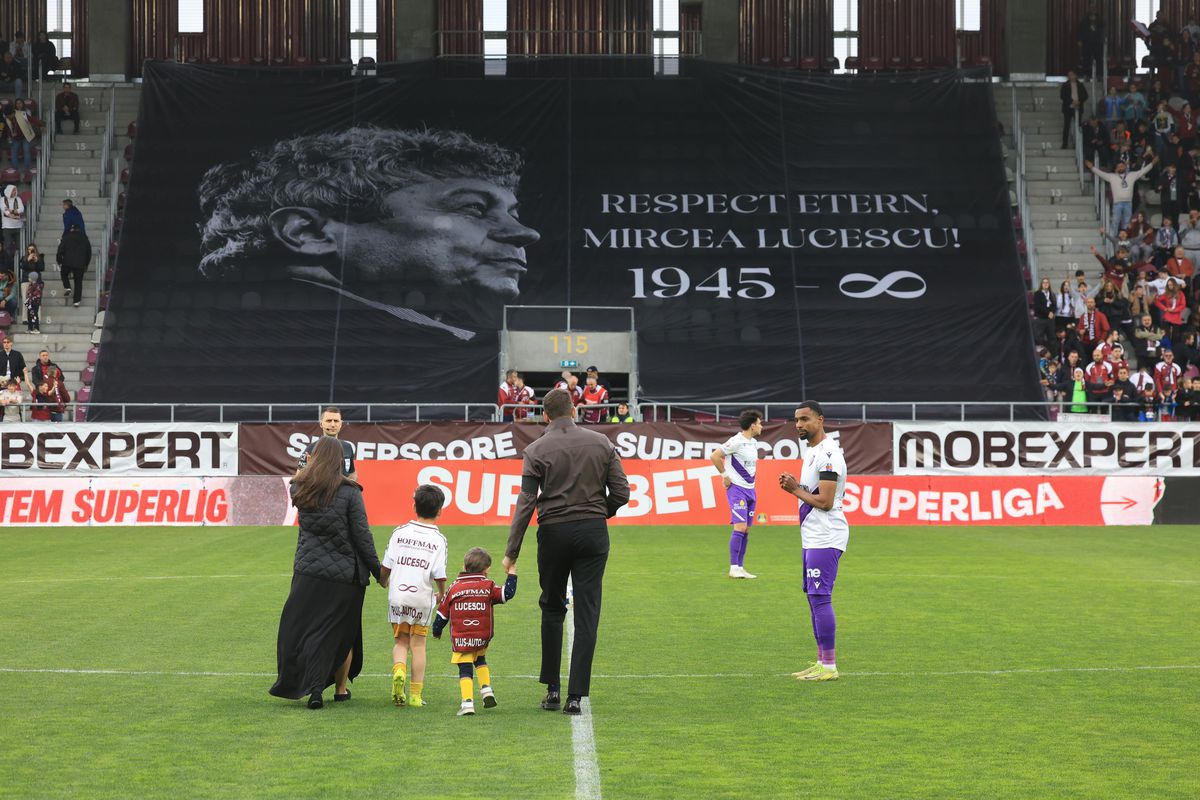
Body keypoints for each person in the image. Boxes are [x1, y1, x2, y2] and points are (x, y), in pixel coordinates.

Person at [504, 387, 630, 715]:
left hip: (554, 532)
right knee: (587, 611)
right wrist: (602, 512)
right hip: (592, 531)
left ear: (545, 415)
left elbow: (526, 502)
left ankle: (553, 689)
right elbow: (622, 491)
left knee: (552, 606)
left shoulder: (535, 450)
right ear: (574, 410)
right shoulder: (602, 443)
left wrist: (512, 550)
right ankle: (576, 696)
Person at [269, 436, 383, 709]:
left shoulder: (299, 488)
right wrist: (379, 571)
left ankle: (312, 686)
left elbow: (300, 478)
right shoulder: (350, 492)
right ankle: (339, 689)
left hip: (308, 573)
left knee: (306, 630)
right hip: (344, 577)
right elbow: (362, 537)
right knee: (342, 633)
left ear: (313, 458)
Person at [778, 402, 849, 682]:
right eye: (796, 420)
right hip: (813, 535)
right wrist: (797, 485)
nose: (799, 424)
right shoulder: (812, 452)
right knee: (812, 598)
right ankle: (821, 661)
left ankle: (829, 666)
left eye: (805, 419)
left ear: (820, 420)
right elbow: (814, 492)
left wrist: (795, 490)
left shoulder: (829, 455)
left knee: (820, 598)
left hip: (826, 534)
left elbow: (826, 502)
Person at [380, 484, 448, 709]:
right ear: (439, 510)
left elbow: (386, 565)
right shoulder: (439, 540)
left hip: (398, 595)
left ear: (413, 506)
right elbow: (439, 573)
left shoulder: (399, 532)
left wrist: (383, 581)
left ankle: (399, 669)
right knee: (418, 645)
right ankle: (416, 696)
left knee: (401, 641)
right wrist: (441, 592)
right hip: (421, 597)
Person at [432, 547, 518, 716]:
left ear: (464, 567)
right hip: (481, 637)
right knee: (480, 658)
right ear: (486, 570)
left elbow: (442, 614)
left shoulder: (453, 588)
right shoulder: (488, 586)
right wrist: (512, 573)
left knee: (465, 669)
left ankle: (467, 703)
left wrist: (436, 631)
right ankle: (486, 690)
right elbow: (507, 593)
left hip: (462, 638)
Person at [709, 409, 764, 580]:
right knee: (739, 527)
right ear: (753, 425)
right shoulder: (736, 441)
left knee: (746, 529)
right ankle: (733, 567)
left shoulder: (753, 443)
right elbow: (715, 456)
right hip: (737, 489)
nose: (761, 426)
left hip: (750, 490)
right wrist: (725, 476)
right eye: (760, 423)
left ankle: (740, 567)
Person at [1086, 156, 1157, 236]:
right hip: (1117, 204)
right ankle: (1113, 242)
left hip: (1128, 203)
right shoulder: (1112, 176)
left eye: (1122, 166)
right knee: (1115, 223)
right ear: (1116, 169)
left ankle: (1124, 242)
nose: (1120, 168)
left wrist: (1152, 164)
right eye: (1118, 166)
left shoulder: (1131, 175)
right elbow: (1101, 174)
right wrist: (1092, 168)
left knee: (1126, 224)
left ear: (1125, 167)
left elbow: (1143, 171)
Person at [296, 405, 357, 480]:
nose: (333, 425)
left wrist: (352, 488)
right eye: (328, 421)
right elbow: (298, 478)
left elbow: (352, 473)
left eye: (336, 421)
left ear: (341, 424)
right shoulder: (311, 449)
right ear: (321, 424)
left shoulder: (348, 447)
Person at [56, 223, 91, 307]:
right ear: (79, 229)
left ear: (71, 229)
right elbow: (88, 252)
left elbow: (60, 250)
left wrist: (59, 261)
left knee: (64, 274)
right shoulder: (84, 238)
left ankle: (67, 287)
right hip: (80, 264)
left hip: (67, 262)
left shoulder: (66, 237)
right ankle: (77, 301)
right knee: (78, 282)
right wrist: (86, 264)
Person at [5, 99, 40, 174]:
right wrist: (10, 137)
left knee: (27, 151)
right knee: (13, 152)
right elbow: (7, 130)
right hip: (15, 138)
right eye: (7, 116)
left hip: (25, 137)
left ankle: (27, 169)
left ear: (13, 113)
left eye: (9, 115)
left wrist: (42, 125)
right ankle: (15, 170)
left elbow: (32, 120)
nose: (9, 117)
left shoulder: (23, 114)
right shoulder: (7, 119)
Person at [1060, 70, 1088, 149]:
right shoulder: (1065, 85)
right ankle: (1065, 143)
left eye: (1072, 75)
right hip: (1068, 107)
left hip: (1078, 107)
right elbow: (1062, 96)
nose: (1070, 77)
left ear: (1075, 76)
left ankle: (1078, 143)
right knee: (1066, 126)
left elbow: (1085, 95)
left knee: (1078, 126)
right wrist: (1072, 101)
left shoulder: (1080, 85)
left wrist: (1079, 101)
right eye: (1069, 75)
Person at [1076, 10, 1105, 78]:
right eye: (1091, 16)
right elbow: (1079, 32)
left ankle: (1099, 75)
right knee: (1086, 60)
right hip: (1087, 44)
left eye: (1094, 16)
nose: (1092, 18)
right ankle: (1087, 75)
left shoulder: (1100, 23)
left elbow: (1103, 32)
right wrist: (1079, 40)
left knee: (1099, 60)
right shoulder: (1084, 23)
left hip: (1097, 44)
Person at [1, 184, 23, 265]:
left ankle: (20, 263)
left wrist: (11, 210)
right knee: (7, 247)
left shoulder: (18, 199)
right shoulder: (2, 200)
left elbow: (21, 209)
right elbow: (5, 212)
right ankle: (9, 264)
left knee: (20, 247)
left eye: (15, 190)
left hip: (18, 227)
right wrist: (14, 213)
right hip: (7, 227)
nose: (15, 192)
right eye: (13, 190)